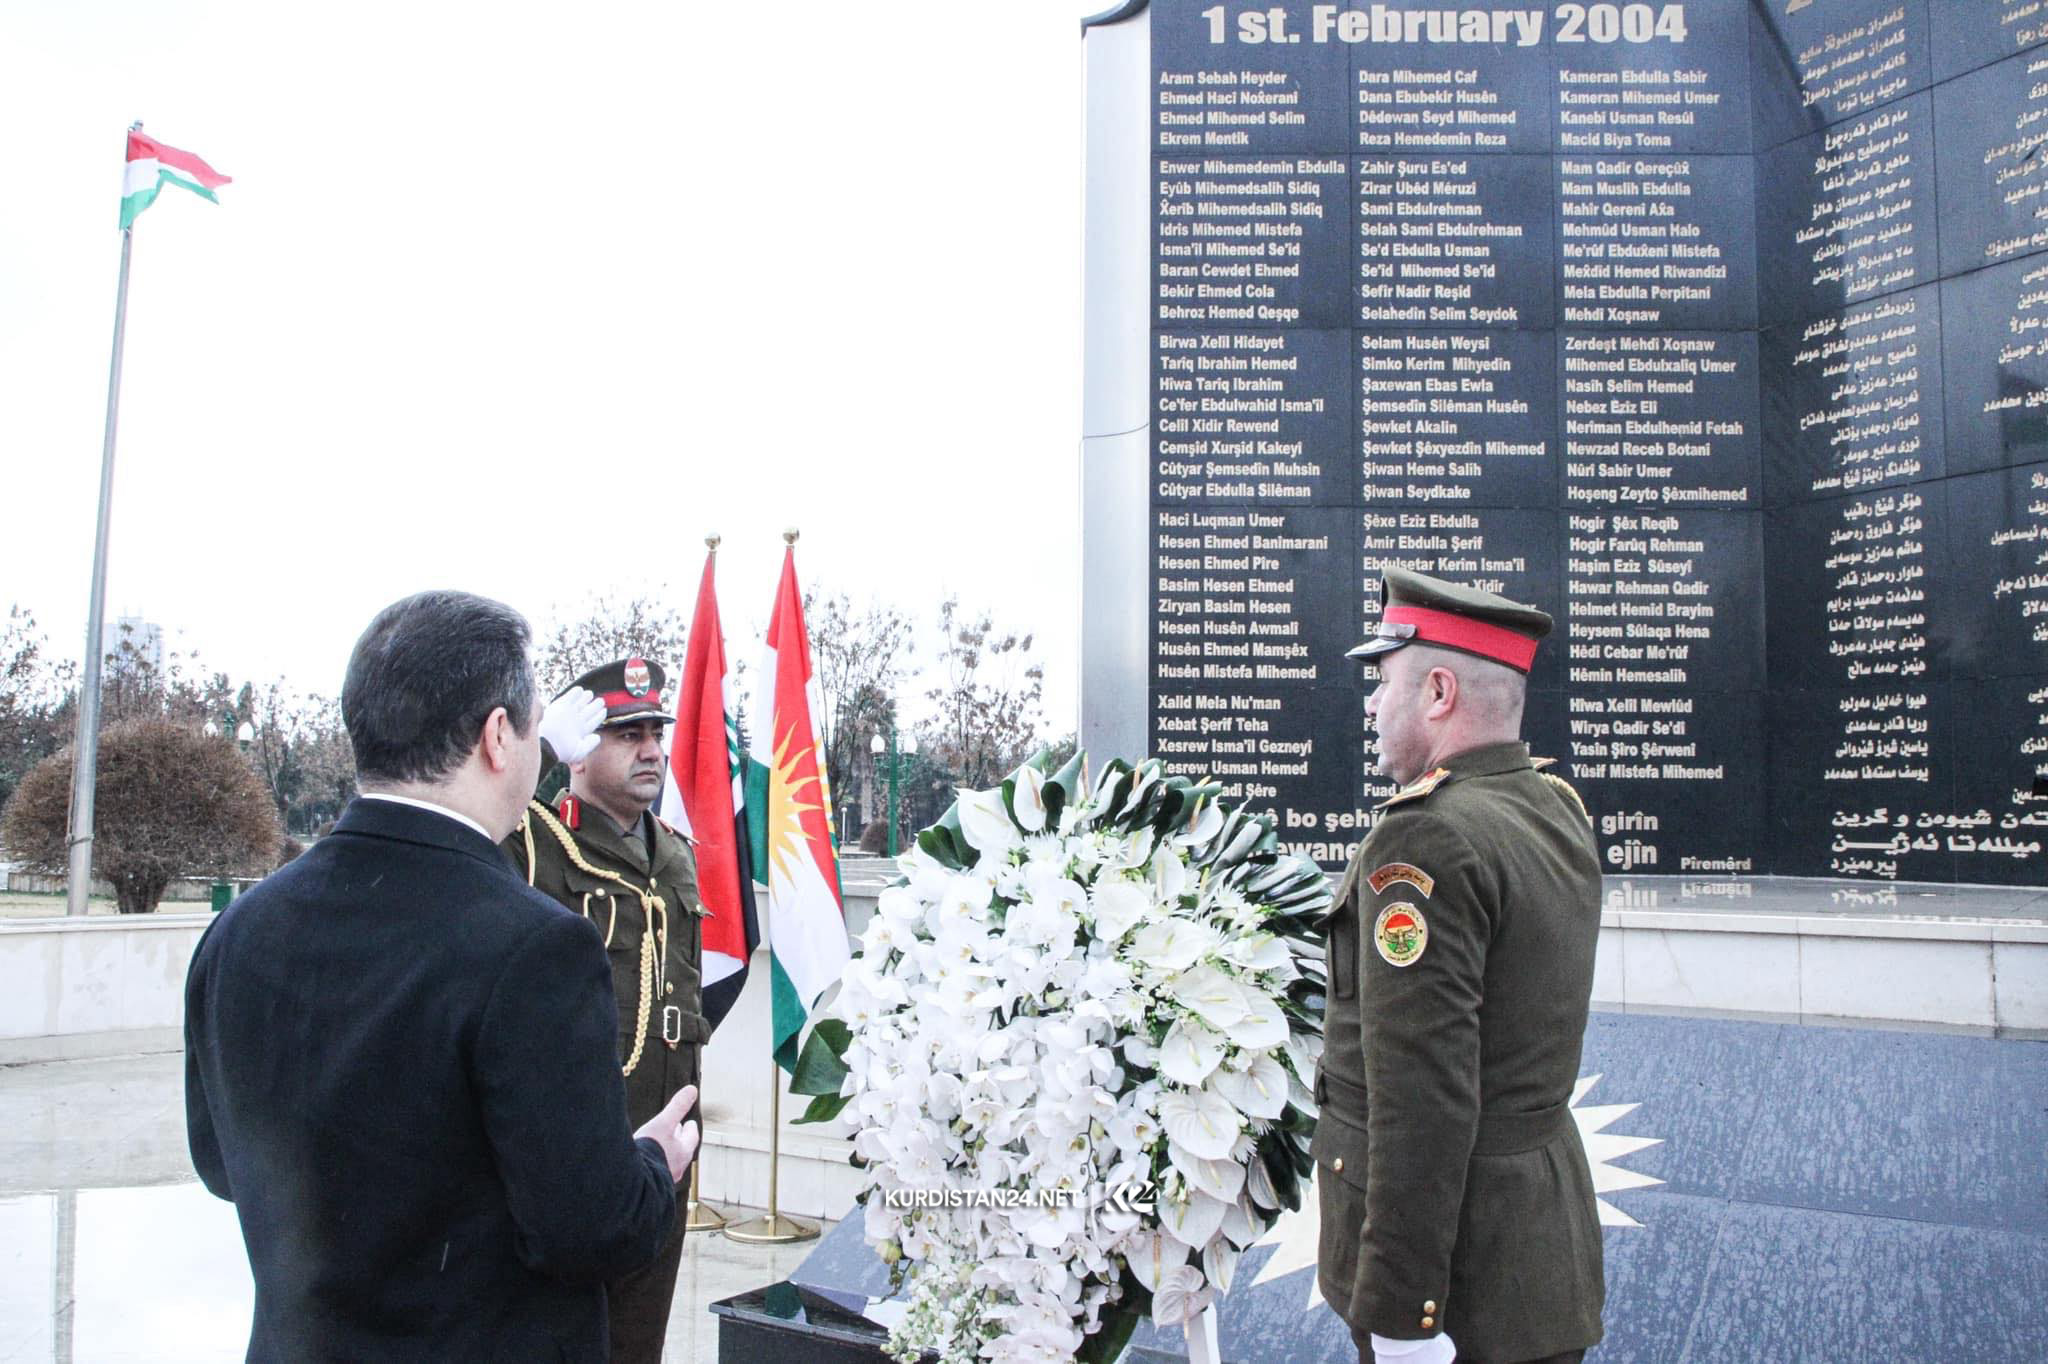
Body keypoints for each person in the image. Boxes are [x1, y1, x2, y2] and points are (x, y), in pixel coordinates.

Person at [184, 591, 701, 1361]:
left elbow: (223, 1167)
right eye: (532, 729)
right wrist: (654, 1163)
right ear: (500, 737)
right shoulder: (535, 949)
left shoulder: (237, 930)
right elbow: (591, 1230)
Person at [1315, 567, 1605, 1364]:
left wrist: (1405, 1315)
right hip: (1536, 1263)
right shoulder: (1551, 806)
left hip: (1457, 1288)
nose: (1370, 705)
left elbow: (1423, 1099)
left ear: (1438, 692)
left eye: (1383, 682)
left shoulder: (1426, 838)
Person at [505, 656, 707, 1364]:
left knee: (637, 1330)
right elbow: (458, 852)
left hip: (668, 1130)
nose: (652, 749)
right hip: (575, 1131)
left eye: (656, 731)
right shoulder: (531, 841)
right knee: (562, 1329)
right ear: (580, 749)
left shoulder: (677, 854)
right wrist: (534, 755)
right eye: (627, 734)